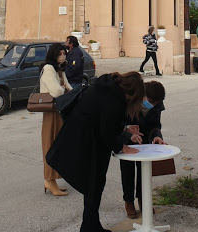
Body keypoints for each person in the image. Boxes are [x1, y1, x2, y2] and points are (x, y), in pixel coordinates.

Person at [46, 72, 145, 232]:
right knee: (94, 184)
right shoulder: (115, 99)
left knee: (93, 185)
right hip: (88, 141)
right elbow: (106, 130)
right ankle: (90, 226)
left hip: (81, 135)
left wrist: (125, 128)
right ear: (131, 93)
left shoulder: (107, 86)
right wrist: (121, 147)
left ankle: (91, 225)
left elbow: (104, 118)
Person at [119, 80, 167, 219]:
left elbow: (156, 124)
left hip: (145, 141)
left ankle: (143, 199)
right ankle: (128, 201)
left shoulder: (157, 104)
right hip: (127, 139)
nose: (152, 105)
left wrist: (156, 136)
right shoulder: (129, 100)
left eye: (155, 103)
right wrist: (128, 134)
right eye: (150, 102)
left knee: (144, 170)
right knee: (127, 171)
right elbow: (117, 122)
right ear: (143, 95)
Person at [40, 43, 72, 197]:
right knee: (50, 146)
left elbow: (68, 87)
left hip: (60, 111)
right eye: (60, 54)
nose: (63, 56)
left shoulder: (59, 69)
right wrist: (64, 89)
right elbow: (56, 91)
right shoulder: (48, 69)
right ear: (53, 55)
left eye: (64, 53)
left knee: (58, 147)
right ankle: (49, 180)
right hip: (51, 112)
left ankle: (52, 179)